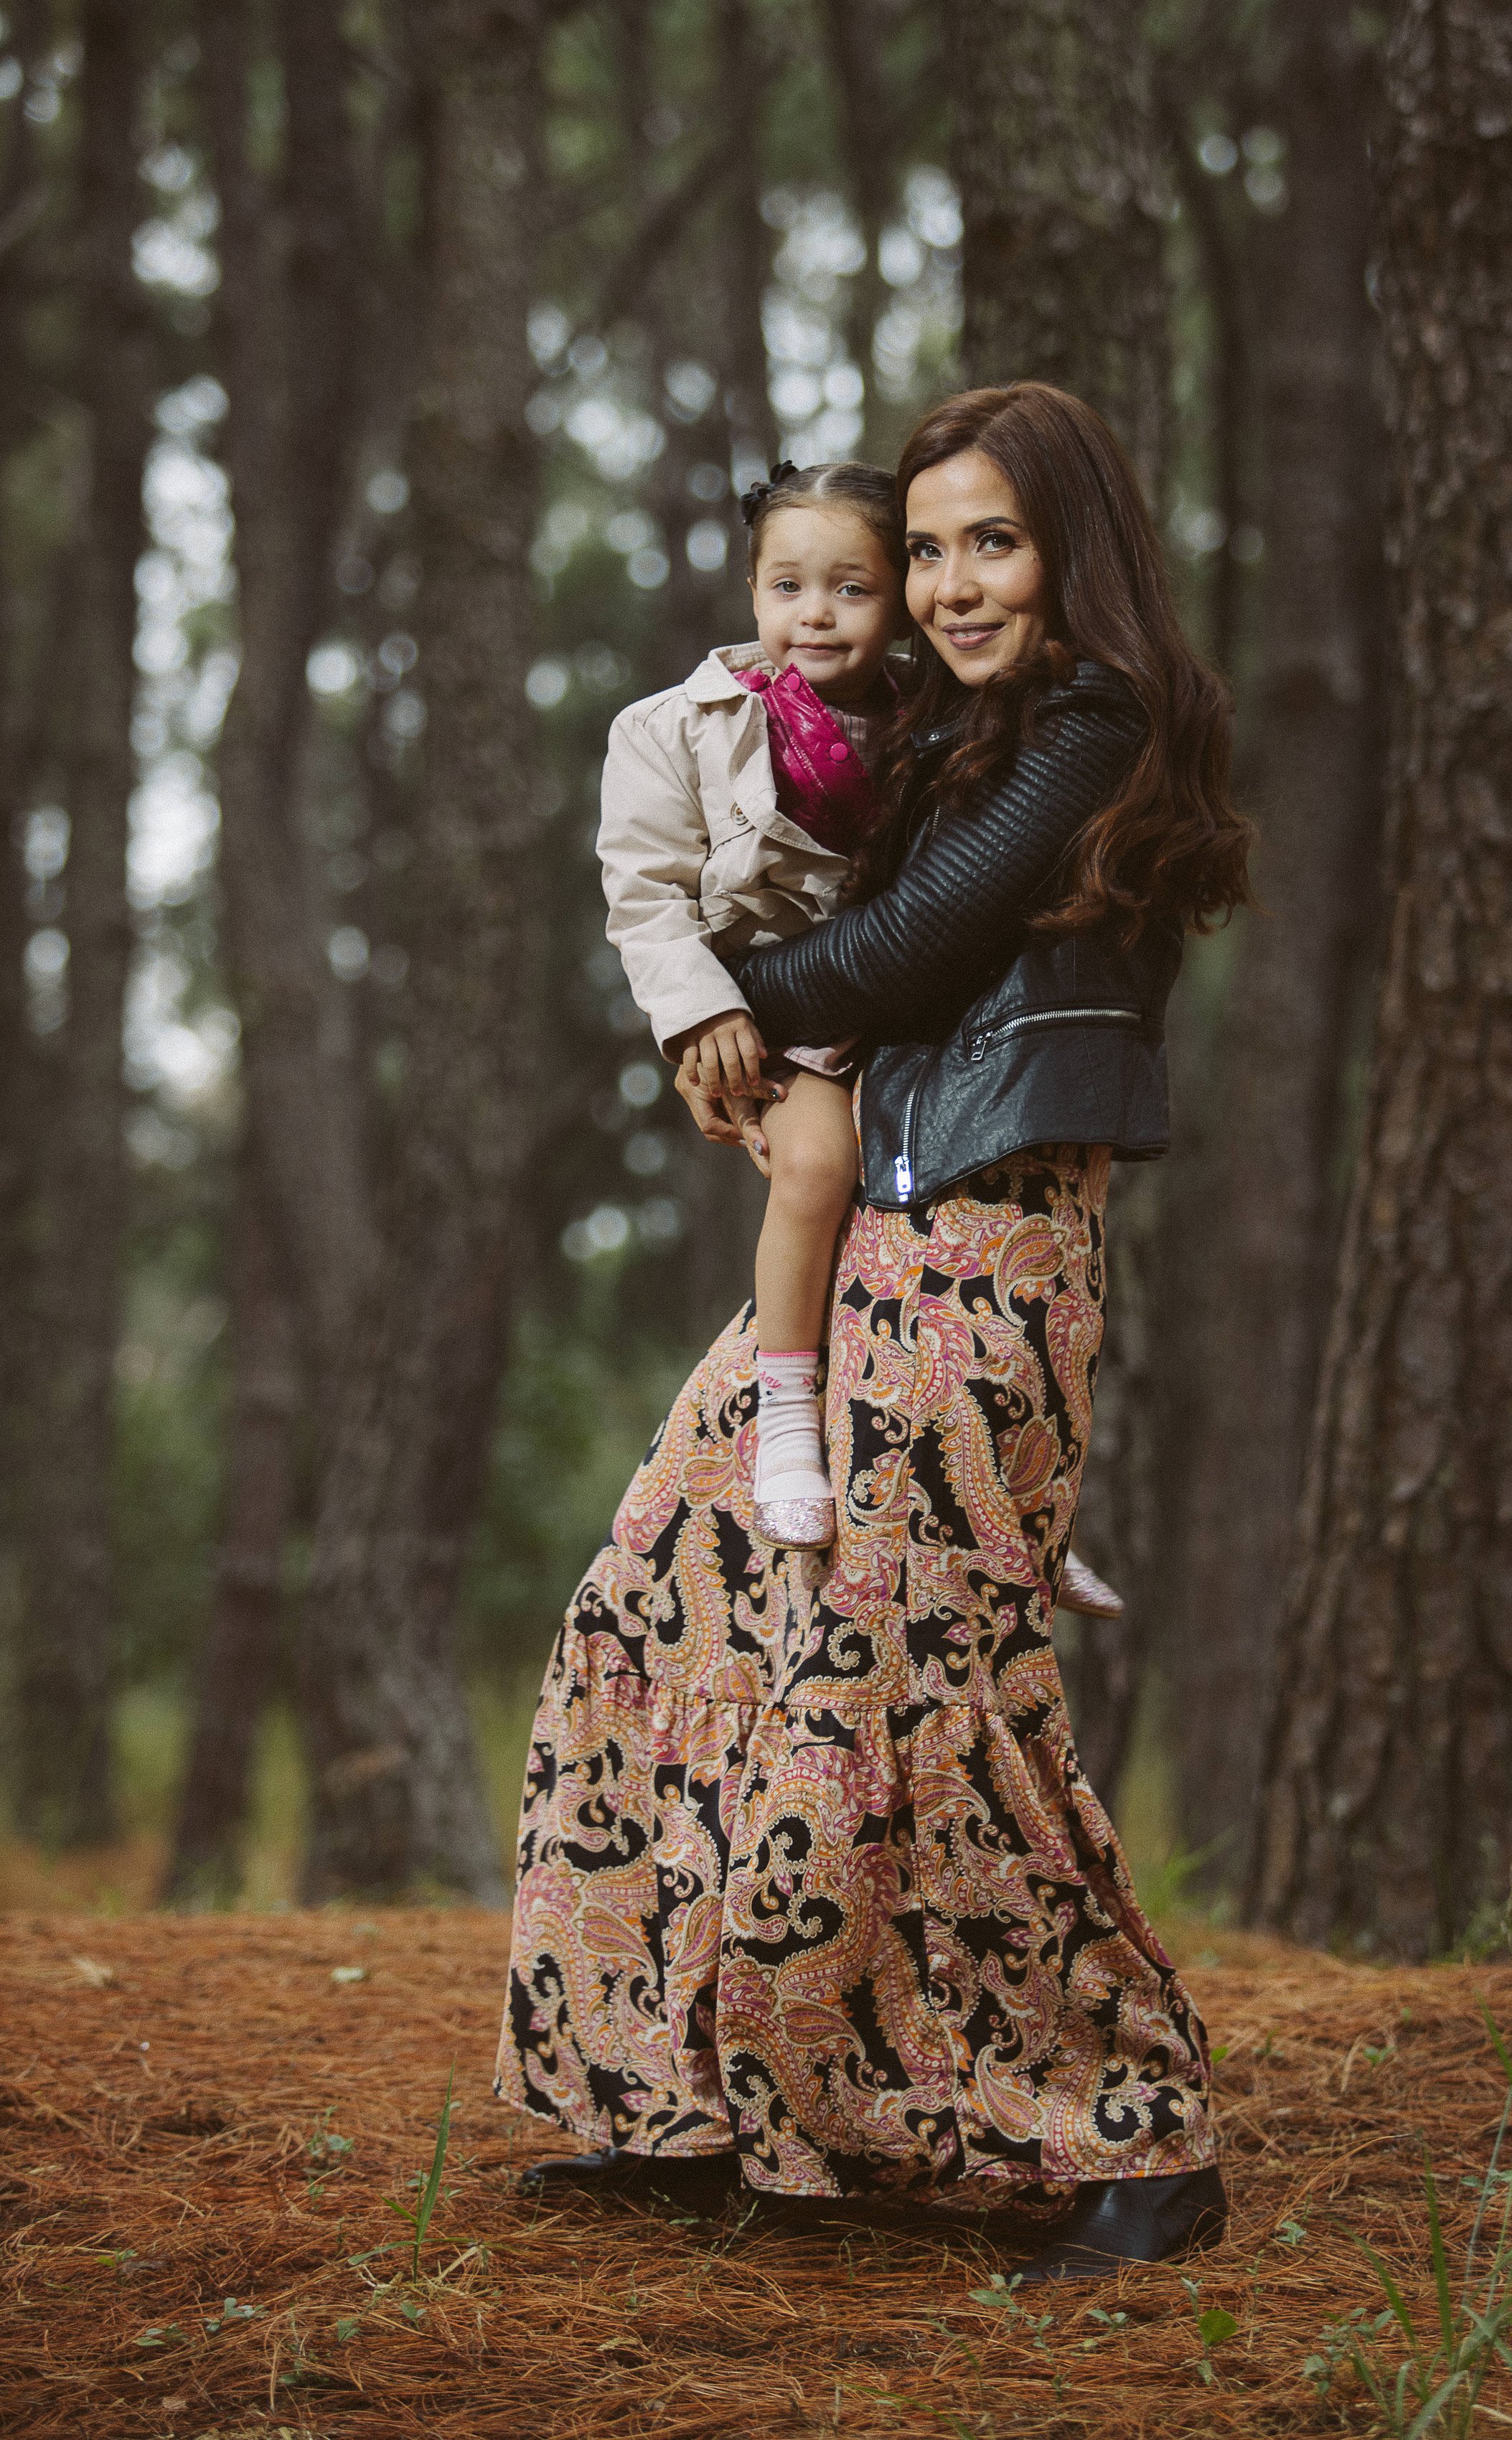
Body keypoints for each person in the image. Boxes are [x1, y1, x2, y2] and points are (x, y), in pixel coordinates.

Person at [498, 382, 1250, 2284]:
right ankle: (683, 2092)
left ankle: (1135, 2130)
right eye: (926, 547)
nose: (948, 580)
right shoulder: (934, 730)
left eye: (989, 539)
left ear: (1066, 547)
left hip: (988, 1245)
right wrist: (701, 982)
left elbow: (901, 958)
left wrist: (694, 985)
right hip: (867, 1240)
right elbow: (806, 870)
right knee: (669, 1583)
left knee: (917, 1677)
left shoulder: (1088, 722)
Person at [596, 456, 1124, 1613]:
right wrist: (706, 1019)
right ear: (750, 590)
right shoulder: (673, 731)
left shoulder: (937, 720)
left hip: (895, 1022)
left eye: (851, 588)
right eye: (788, 587)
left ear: (891, 600)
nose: (816, 614)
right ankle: (787, 1418)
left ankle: (1025, 1512)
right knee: (821, 1169)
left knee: (959, 1278)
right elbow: (644, 897)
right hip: (777, 1020)